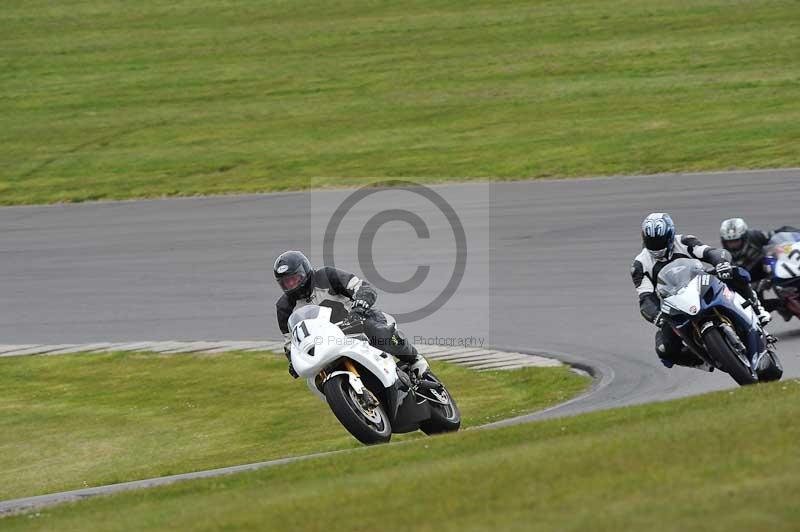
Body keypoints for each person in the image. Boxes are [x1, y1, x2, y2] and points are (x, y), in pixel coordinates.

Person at [631, 213, 771, 370]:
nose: (657, 247)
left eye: (660, 242)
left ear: (670, 235)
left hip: (701, 282)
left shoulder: (684, 241)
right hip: (673, 304)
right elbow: (645, 298)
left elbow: (712, 252)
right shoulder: (640, 265)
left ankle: (758, 310)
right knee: (664, 350)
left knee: (736, 273)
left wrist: (721, 263)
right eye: (652, 242)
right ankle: (700, 361)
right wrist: (657, 316)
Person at [273, 250, 428, 378]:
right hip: (326, 343)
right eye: (286, 282)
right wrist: (293, 361)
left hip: (356, 321)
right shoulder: (284, 307)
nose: (291, 285)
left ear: (305, 271)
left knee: (377, 332)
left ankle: (415, 360)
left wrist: (361, 304)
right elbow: (290, 341)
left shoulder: (326, 276)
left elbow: (361, 287)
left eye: (294, 279)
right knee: (316, 374)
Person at [720, 218, 800, 320]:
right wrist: (757, 285)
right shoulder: (726, 257)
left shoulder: (755, 236)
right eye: (729, 242)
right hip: (750, 279)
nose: (733, 245)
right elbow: (736, 285)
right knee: (752, 304)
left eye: (736, 241)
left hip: (765, 266)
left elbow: (778, 233)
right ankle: (782, 305)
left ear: (744, 237)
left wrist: (795, 234)